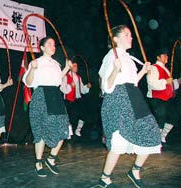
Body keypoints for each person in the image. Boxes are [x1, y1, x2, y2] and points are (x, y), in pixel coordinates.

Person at [98, 25, 161, 188]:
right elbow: (106, 86)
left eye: (130, 35)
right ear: (115, 39)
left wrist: (143, 71)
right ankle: (105, 178)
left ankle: (135, 170)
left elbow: (132, 82)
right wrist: (114, 71)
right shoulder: (111, 56)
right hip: (118, 99)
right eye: (126, 35)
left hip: (134, 96)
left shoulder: (129, 58)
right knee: (119, 139)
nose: (130, 37)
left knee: (151, 132)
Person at [23, 37, 71, 177]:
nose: (53, 46)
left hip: (55, 95)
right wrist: (32, 69)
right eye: (49, 44)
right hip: (42, 95)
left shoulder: (56, 63)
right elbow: (28, 82)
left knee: (64, 129)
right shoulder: (36, 62)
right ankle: (38, 162)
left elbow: (57, 81)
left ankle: (51, 159)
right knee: (41, 130)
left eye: (54, 44)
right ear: (42, 47)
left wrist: (67, 68)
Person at [147, 48, 181, 144]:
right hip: (157, 98)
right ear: (158, 57)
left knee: (174, 116)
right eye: (164, 55)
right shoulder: (153, 67)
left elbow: (169, 85)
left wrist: (177, 81)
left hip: (166, 98)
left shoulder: (165, 69)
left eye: (167, 55)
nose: (167, 57)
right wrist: (166, 81)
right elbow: (151, 83)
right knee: (161, 118)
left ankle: (162, 137)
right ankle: (156, 141)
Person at [60, 62, 91, 139]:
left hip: (78, 99)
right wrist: (70, 85)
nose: (76, 67)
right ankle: (69, 133)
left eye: (76, 66)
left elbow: (82, 90)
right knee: (70, 118)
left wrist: (87, 86)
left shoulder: (78, 77)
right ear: (70, 67)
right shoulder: (66, 76)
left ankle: (78, 130)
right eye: (74, 66)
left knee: (84, 115)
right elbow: (62, 88)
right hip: (69, 100)